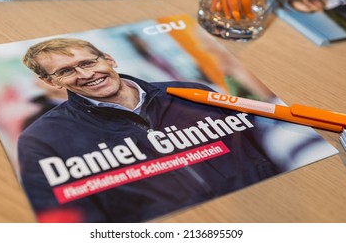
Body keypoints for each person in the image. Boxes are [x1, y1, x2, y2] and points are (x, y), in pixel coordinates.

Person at [18, 37, 279, 223]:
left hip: (267, 210)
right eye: (66, 71)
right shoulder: (42, 139)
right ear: (50, 81)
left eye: (87, 63)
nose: (84, 74)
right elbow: (73, 222)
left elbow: (263, 145)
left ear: (109, 59)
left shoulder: (192, 93)